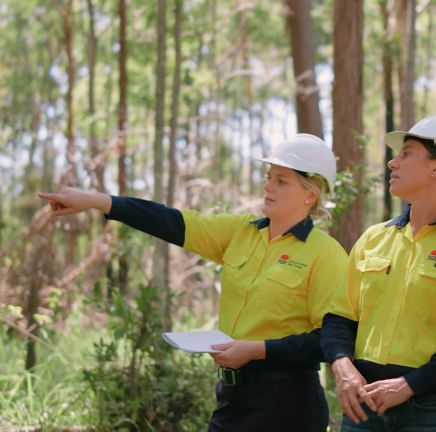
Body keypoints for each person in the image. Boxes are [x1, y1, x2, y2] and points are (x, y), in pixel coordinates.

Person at [39, 134, 346, 432]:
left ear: (311, 193)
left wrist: (257, 350)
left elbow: (328, 340)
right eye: (269, 176)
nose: (267, 186)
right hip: (232, 399)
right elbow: (170, 222)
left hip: (288, 406)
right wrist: (98, 201)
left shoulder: (325, 254)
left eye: (282, 181)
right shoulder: (240, 232)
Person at [321, 114, 436, 432]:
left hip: (433, 413)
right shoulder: (373, 239)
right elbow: (339, 317)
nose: (393, 163)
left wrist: (408, 385)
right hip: (363, 410)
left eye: (406, 153)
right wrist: (341, 364)